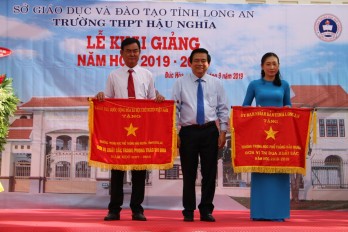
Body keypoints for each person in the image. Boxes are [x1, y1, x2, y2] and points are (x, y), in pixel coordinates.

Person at [96, 37, 164, 221]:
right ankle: (114, 209)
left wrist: (158, 99)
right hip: (119, 129)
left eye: (136, 51)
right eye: (129, 51)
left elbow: (151, 101)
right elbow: (108, 100)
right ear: (121, 53)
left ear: (139, 53)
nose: (132, 54)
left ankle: (137, 209)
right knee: (117, 170)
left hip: (140, 129)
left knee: (139, 170)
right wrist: (102, 96)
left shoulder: (147, 75)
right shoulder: (113, 75)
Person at [172, 48, 229, 222]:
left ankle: (206, 210)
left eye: (203, 61)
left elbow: (223, 109)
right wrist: (176, 133)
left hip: (210, 131)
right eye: (196, 60)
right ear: (190, 63)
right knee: (188, 174)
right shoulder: (180, 83)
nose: (200, 64)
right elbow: (174, 109)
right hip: (188, 132)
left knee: (209, 173)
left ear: (208, 63)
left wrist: (223, 132)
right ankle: (188, 211)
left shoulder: (216, 83)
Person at [242, 52, 292, 222]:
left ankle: (279, 213)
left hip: (280, 137)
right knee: (261, 172)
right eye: (268, 64)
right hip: (260, 136)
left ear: (278, 66)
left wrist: (287, 110)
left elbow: (289, 108)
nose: (272, 67)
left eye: (275, 64)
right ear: (262, 66)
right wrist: (257, 113)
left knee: (279, 171)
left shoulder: (284, 85)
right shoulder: (254, 84)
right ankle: (259, 212)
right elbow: (245, 107)